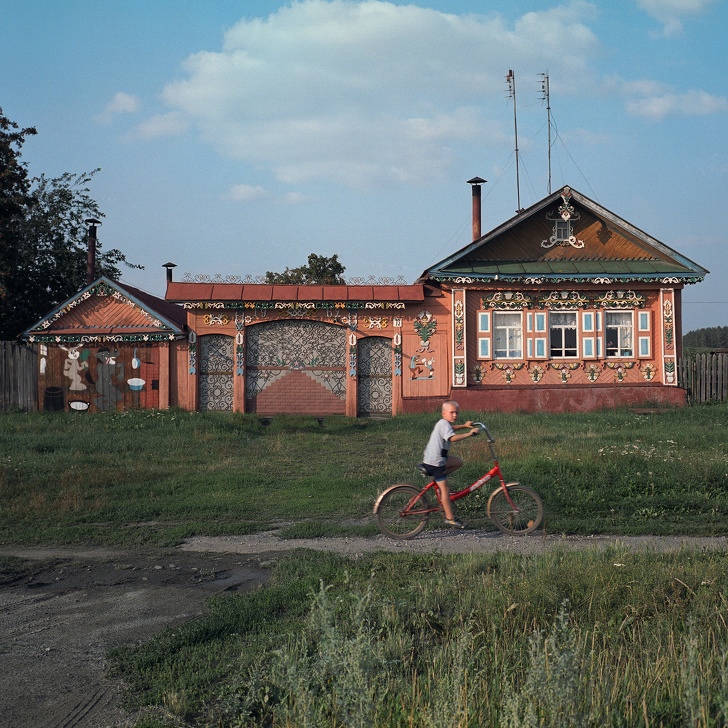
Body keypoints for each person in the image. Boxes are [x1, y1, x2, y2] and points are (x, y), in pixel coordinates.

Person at [420, 400, 480, 528]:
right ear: (443, 414)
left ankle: (439, 480)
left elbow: (451, 429)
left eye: (456, 413)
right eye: (451, 412)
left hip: (438, 459)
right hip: (435, 462)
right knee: (446, 490)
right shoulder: (443, 424)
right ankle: (450, 518)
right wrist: (469, 434)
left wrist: (464, 425)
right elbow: (452, 438)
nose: (455, 415)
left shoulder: (444, 424)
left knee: (458, 462)